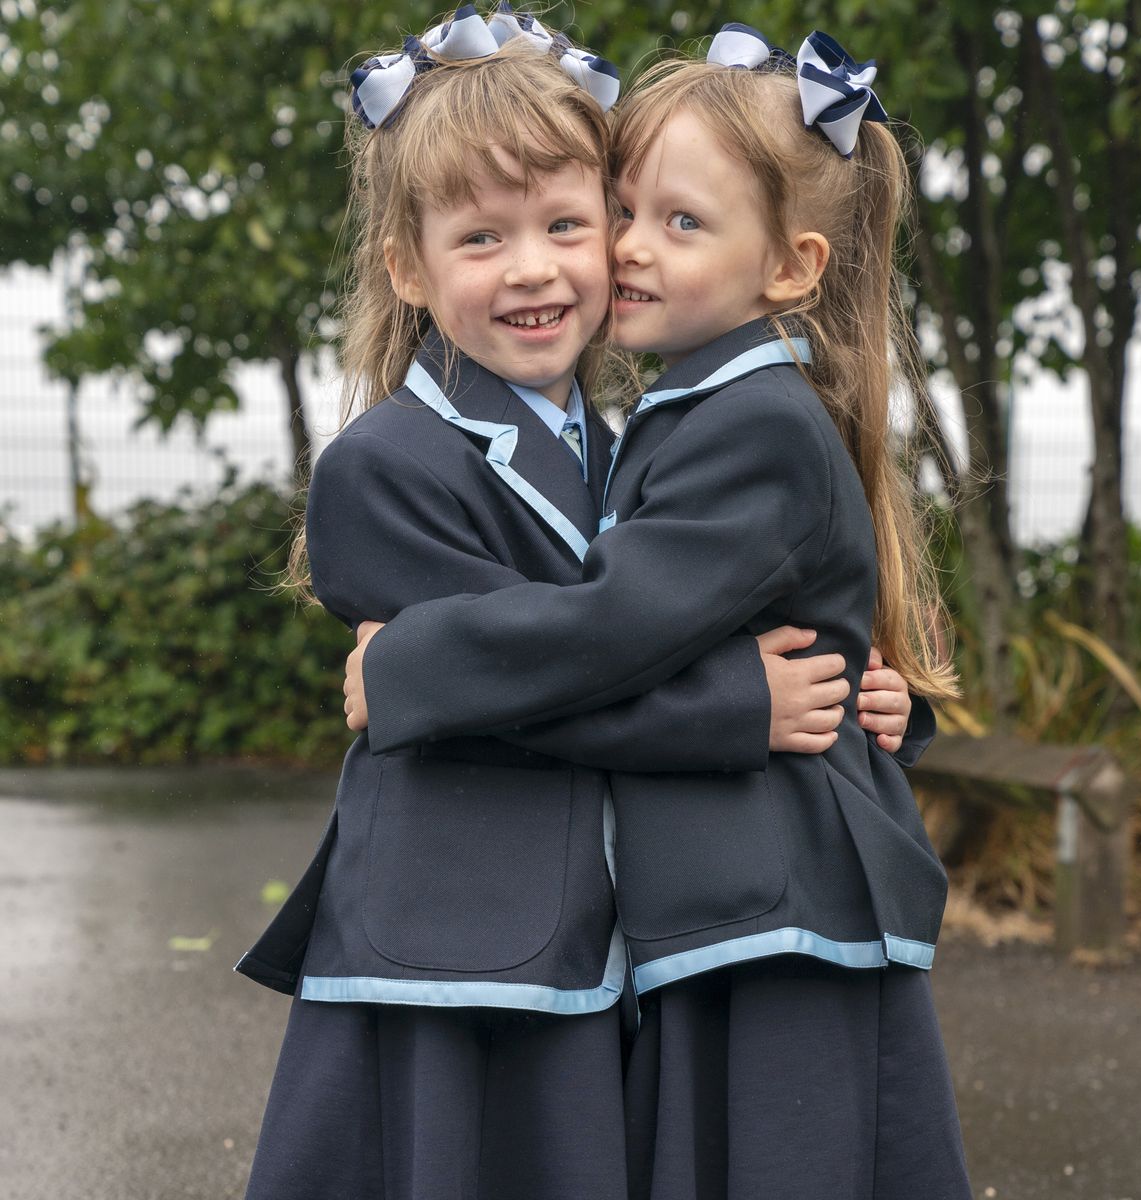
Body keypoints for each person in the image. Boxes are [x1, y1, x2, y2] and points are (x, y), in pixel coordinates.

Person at [236, 10, 921, 1198]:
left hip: (574, 944)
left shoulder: (632, 439)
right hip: (444, 939)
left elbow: (620, 639)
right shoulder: (380, 465)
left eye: (570, 223)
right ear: (408, 265)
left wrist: (863, 696)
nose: (537, 267)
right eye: (481, 238)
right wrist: (734, 707)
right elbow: (538, 676)